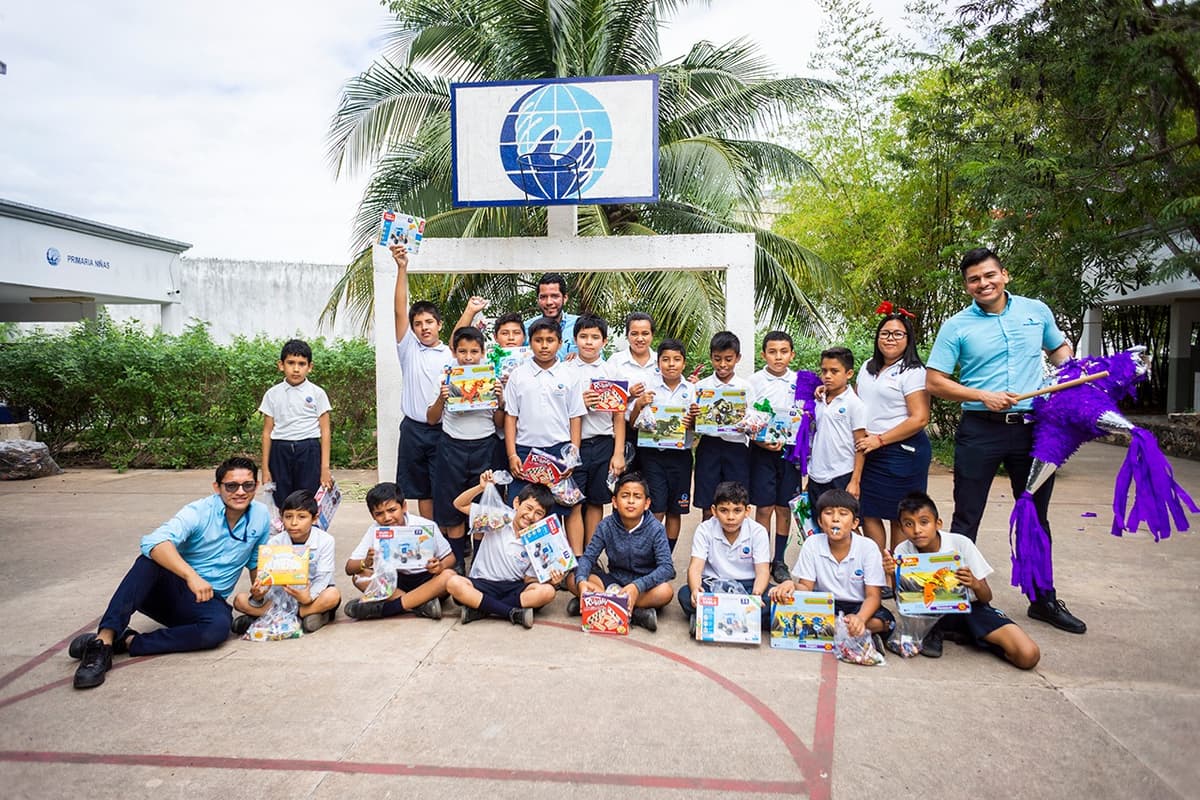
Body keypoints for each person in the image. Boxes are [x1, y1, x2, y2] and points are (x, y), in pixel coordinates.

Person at [925, 247, 1083, 633]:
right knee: (966, 517)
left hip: (1034, 429)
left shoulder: (1036, 311)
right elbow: (935, 381)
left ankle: (1042, 598)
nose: (983, 284)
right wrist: (981, 395)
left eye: (989, 275)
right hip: (981, 429)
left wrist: (1070, 366)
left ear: (1004, 275)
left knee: (1034, 516)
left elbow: (1058, 348)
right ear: (966, 286)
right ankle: (950, 603)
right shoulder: (957, 326)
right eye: (974, 279)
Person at [68, 457, 274, 689]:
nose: (240, 492)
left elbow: (257, 561)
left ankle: (126, 641)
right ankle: (102, 643)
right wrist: (191, 576)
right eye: (231, 486)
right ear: (217, 487)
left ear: (256, 486)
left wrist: (259, 594)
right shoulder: (198, 512)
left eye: (247, 485)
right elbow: (154, 542)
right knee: (150, 560)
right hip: (170, 590)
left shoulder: (261, 515)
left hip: (208, 600)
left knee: (217, 629)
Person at [882, 492, 1041, 668]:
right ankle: (940, 632)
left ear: (938, 523)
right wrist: (893, 575)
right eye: (909, 524)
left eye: (924, 522)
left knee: (1028, 655)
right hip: (926, 614)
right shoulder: (903, 551)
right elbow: (904, 602)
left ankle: (975, 638)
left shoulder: (960, 544)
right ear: (902, 528)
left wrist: (974, 583)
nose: (917, 530)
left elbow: (986, 597)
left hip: (970, 609)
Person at [769, 489, 894, 644]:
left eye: (843, 514)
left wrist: (860, 618)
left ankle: (848, 628)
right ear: (820, 522)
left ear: (855, 522)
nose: (835, 519)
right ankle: (853, 631)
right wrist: (791, 585)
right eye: (828, 513)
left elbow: (873, 596)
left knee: (886, 620)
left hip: (859, 606)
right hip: (823, 604)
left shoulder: (868, 547)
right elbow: (806, 588)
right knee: (784, 610)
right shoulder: (812, 543)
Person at [854, 311, 931, 562]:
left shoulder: (914, 371)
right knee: (868, 511)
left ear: (908, 339)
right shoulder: (868, 367)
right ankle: (877, 567)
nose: (890, 338)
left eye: (898, 334)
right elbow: (856, 400)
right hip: (869, 450)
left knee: (900, 516)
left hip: (902, 452)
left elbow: (919, 418)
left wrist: (881, 439)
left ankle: (895, 572)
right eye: (885, 333)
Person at [427, 326, 505, 571]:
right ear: (454, 352)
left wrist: (500, 400)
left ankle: (480, 561)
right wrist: (442, 397)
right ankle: (458, 561)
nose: (468, 357)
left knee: (483, 506)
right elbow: (431, 419)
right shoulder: (445, 378)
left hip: (486, 446)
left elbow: (500, 423)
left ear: (483, 352)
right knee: (452, 506)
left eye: (474, 351)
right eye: (463, 351)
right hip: (452, 446)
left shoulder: (492, 379)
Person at [448, 472, 561, 628]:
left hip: (513, 588)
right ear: (516, 503)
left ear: (544, 518)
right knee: (454, 583)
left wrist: (551, 580)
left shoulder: (539, 540)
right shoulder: (499, 517)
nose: (530, 516)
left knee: (547, 592)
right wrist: (480, 488)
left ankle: (482, 608)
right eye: (528, 508)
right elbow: (459, 504)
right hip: (482, 583)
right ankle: (510, 612)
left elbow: (529, 579)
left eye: (538, 513)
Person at [503, 316, 586, 527]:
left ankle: (551, 558)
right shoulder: (518, 375)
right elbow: (510, 417)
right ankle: (517, 558)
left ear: (559, 343)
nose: (544, 345)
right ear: (530, 343)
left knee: (553, 514)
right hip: (524, 452)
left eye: (550, 340)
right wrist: (512, 454)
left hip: (558, 452)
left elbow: (575, 417)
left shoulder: (569, 375)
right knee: (520, 510)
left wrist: (572, 454)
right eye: (538, 340)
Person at [569, 472, 675, 631]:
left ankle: (598, 603)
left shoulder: (656, 529)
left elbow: (666, 568)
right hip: (613, 582)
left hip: (642, 586)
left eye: (637, 497)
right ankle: (636, 613)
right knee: (573, 579)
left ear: (647, 503)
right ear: (615, 502)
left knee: (666, 592)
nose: (631, 501)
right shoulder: (606, 525)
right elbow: (588, 557)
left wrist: (637, 586)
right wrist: (582, 581)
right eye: (625, 495)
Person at [391, 243, 451, 521]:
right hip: (414, 430)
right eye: (418, 323)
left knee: (444, 486)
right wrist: (402, 268)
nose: (424, 327)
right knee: (421, 491)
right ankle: (429, 538)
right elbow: (399, 311)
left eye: (429, 321)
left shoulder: (451, 354)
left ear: (439, 324)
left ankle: (448, 538)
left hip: (444, 429)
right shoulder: (409, 349)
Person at [230, 489, 341, 634]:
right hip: (281, 599)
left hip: (313, 596)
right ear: (281, 517)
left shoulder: (325, 540)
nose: (294, 523)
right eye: (288, 517)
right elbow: (267, 579)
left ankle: (273, 619)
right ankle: (303, 616)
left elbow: (323, 577)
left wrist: (308, 597)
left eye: (302, 517)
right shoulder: (275, 541)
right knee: (240, 601)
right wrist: (259, 594)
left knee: (333, 595)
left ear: (314, 518)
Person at [342, 482, 451, 620]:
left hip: (426, 578)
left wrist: (440, 566)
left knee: (448, 575)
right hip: (394, 580)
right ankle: (420, 605)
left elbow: (450, 557)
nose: (387, 518)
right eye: (379, 513)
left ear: (404, 506)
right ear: (372, 515)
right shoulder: (375, 530)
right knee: (359, 577)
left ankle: (388, 608)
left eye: (392, 510)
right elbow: (349, 568)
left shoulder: (426, 526)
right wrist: (365, 561)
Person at [628, 338, 696, 550]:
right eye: (665, 359)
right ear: (658, 363)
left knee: (675, 510)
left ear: (684, 363)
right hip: (652, 456)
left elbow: (701, 428)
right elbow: (632, 422)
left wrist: (693, 422)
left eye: (676, 359)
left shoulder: (693, 390)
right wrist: (639, 404)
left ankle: (667, 556)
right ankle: (650, 554)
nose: (671, 364)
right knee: (656, 507)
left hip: (681, 456)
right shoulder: (648, 388)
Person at [677, 481, 771, 627]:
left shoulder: (758, 531)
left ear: (747, 511)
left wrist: (756, 595)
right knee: (685, 594)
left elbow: (763, 570)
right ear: (714, 511)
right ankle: (746, 620)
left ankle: (709, 618)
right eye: (724, 510)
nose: (731, 517)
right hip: (714, 584)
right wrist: (696, 590)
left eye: (737, 510)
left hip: (748, 586)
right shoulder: (704, 529)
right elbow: (695, 568)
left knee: (775, 598)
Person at [749, 330, 801, 583]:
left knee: (784, 507)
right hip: (761, 454)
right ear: (763, 355)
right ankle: (760, 559)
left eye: (783, 352)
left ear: (792, 354)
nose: (778, 357)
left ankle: (779, 560)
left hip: (790, 454)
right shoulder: (754, 382)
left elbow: (808, 415)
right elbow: (747, 420)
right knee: (764, 507)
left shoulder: (802, 381)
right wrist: (760, 440)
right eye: (772, 352)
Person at [572, 314, 627, 545]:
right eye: (583, 336)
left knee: (596, 501)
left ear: (604, 341)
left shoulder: (612, 372)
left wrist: (618, 453)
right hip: (574, 445)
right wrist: (579, 403)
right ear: (575, 339)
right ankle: (576, 555)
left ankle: (590, 554)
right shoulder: (566, 370)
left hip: (604, 443)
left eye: (595, 337)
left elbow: (619, 416)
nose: (588, 342)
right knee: (573, 501)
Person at [259, 339, 332, 508]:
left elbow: (326, 431)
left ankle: (309, 532)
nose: (296, 369)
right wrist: (265, 468)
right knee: (281, 499)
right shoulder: (272, 394)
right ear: (281, 365)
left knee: (307, 498)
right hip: (280, 451)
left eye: (302, 363)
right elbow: (266, 433)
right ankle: (284, 532)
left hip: (309, 450)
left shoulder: (317, 393)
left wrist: (325, 468)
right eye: (291, 363)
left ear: (310, 367)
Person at [691, 331, 751, 520]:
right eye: (717, 359)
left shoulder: (746, 387)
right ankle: (708, 546)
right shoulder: (701, 387)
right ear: (711, 357)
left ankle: (736, 546)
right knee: (708, 503)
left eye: (728, 359)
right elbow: (693, 425)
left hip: (737, 448)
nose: (723, 364)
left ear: (738, 358)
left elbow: (754, 419)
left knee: (737, 501)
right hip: (709, 447)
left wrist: (748, 422)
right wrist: (693, 417)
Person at [807, 347, 867, 511]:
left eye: (834, 371)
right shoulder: (818, 399)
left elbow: (861, 445)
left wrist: (855, 481)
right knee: (819, 524)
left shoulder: (855, 404)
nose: (827, 376)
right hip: (816, 474)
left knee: (844, 524)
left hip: (841, 474)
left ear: (849, 374)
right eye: (824, 371)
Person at [524, 272, 579, 357]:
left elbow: (597, 357)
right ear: (538, 300)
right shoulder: (525, 329)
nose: (549, 302)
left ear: (565, 298)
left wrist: (581, 357)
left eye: (554, 296)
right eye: (543, 297)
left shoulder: (580, 325)